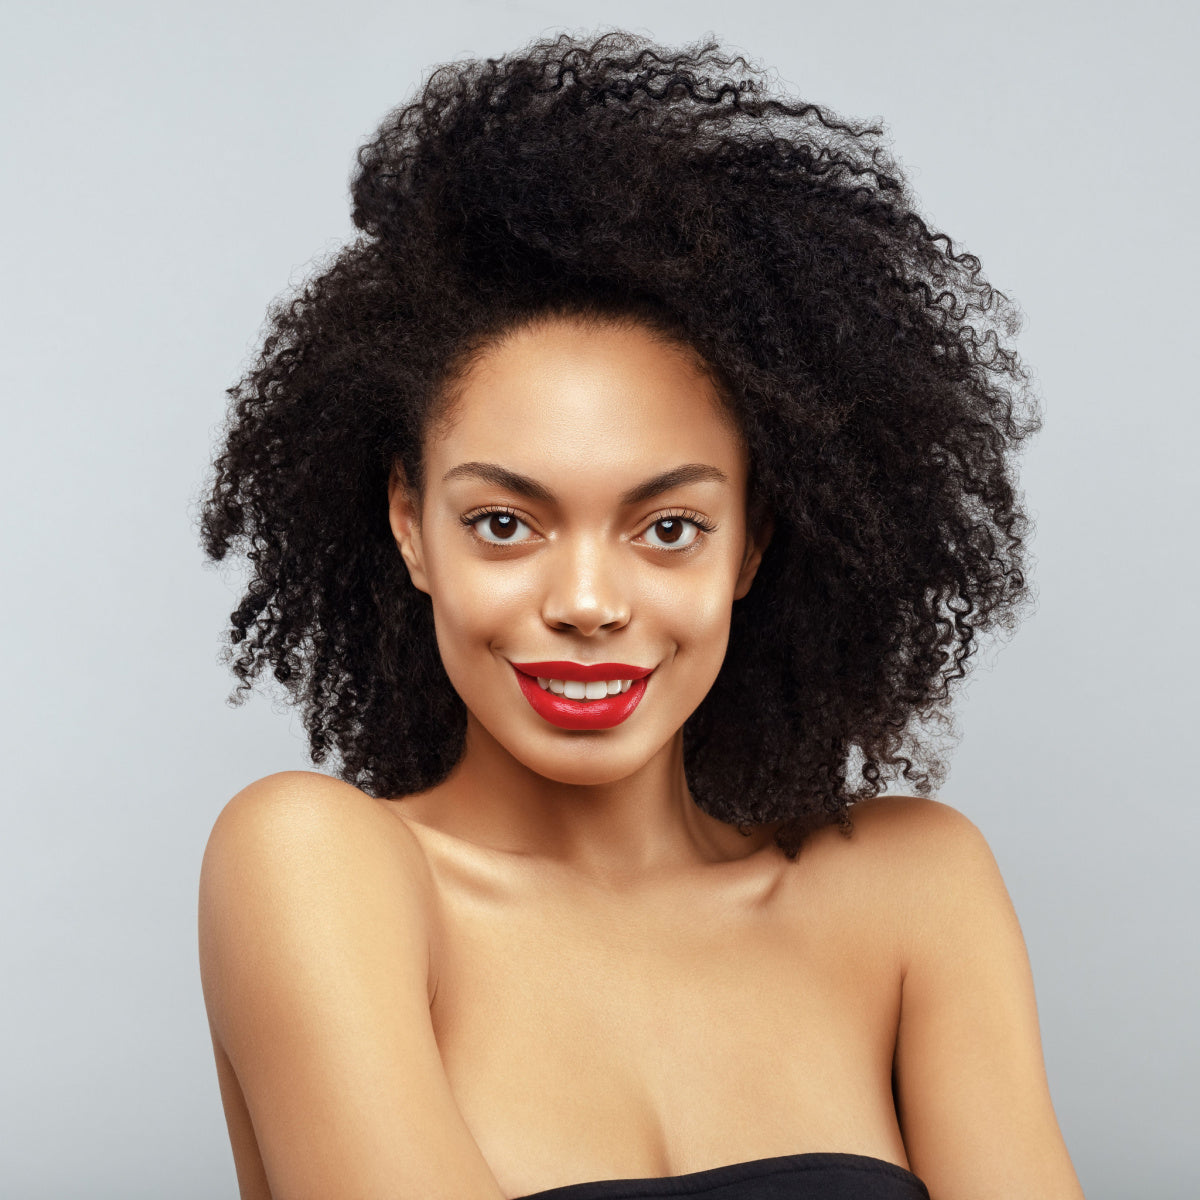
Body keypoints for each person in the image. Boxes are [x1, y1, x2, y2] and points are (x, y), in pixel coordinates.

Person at [196, 29, 1086, 1200]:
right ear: (410, 526)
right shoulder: (317, 869)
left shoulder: (915, 893)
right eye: (505, 523)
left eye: (668, 527)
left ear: (753, 542)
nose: (585, 604)